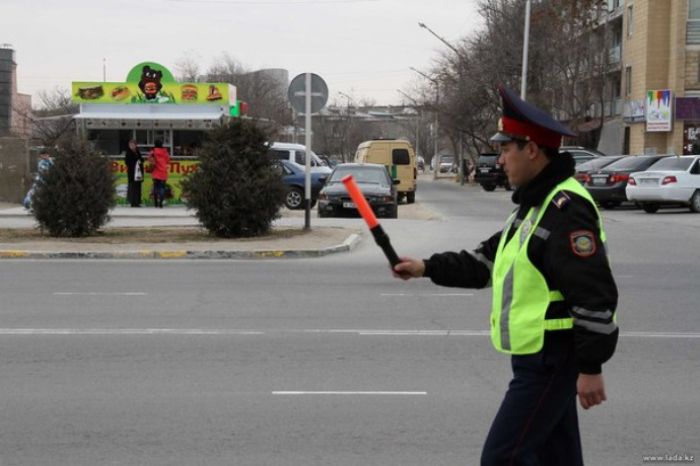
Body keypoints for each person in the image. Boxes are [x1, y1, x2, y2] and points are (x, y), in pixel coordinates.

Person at [393, 86, 618, 466]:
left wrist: (591, 367)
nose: (499, 161)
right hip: (538, 355)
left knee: (503, 458)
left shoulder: (565, 208)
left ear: (531, 149)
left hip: (552, 358)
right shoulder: (534, 206)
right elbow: (485, 263)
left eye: (504, 149)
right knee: (558, 458)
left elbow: (593, 292)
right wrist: (426, 268)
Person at [148, 139, 170, 208]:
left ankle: (155, 203)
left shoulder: (153, 151)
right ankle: (161, 202)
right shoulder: (165, 152)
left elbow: (149, 159)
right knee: (162, 188)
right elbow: (168, 160)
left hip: (155, 172)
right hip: (163, 172)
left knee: (155, 188)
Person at [124, 139, 143, 207]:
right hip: (132, 173)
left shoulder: (137, 151)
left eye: (133, 144)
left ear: (135, 145)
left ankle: (137, 201)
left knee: (138, 187)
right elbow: (127, 162)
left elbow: (141, 159)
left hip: (138, 173)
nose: (132, 146)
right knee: (132, 187)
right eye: (131, 145)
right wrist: (135, 163)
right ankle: (132, 202)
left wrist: (139, 161)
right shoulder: (128, 152)